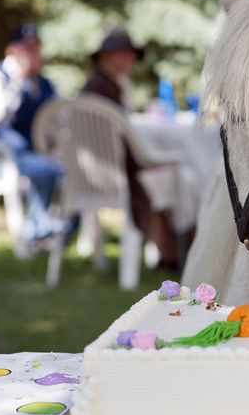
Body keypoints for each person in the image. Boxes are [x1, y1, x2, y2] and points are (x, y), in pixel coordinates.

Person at [82, 28, 196, 270]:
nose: (127, 60)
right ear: (104, 58)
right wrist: (144, 161)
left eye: (129, 54)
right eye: (120, 54)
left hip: (103, 173)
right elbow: (112, 143)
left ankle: (170, 252)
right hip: (115, 174)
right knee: (185, 180)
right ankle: (181, 252)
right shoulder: (101, 89)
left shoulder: (106, 86)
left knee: (177, 178)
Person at [0, 23, 66, 249]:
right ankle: (38, 231)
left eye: (36, 48)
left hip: (42, 150)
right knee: (44, 169)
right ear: (12, 51)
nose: (32, 54)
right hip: (12, 152)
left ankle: (51, 230)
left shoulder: (45, 82)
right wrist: (17, 83)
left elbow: (60, 117)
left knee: (69, 173)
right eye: (26, 48)